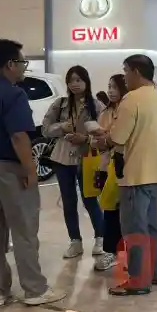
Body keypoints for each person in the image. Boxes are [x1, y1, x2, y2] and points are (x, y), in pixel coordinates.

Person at [0, 39, 65, 306]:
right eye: (22, 62)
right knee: (24, 229)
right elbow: (19, 136)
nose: (24, 68)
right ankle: (35, 290)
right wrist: (31, 170)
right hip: (7, 169)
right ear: (10, 64)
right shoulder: (13, 94)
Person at [92, 54, 157, 296]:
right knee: (151, 227)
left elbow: (118, 138)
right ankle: (155, 272)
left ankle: (138, 280)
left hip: (135, 174)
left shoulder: (131, 99)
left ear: (136, 71)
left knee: (135, 229)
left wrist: (100, 140)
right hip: (155, 172)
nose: (124, 76)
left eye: (125, 71)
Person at [41, 65, 105, 259]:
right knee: (68, 202)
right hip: (62, 158)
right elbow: (45, 129)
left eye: (79, 80)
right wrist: (62, 127)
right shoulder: (60, 104)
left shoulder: (97, 106)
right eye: (71, 80)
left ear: (86, 82)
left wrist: (85, 138)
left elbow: (105, 134)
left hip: (87, 158)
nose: (75, 84)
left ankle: (101, 238)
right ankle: (75, 241)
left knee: (90, 200)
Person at [94, 74, 128, 272]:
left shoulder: (129, 110)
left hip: (126, 168)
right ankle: (111, 251)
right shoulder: (105, 113)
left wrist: (109, 138)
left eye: (114, 87)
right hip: (106, 166)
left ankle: (131, 252)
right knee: (109, 212)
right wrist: (99, 140)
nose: (111, 91)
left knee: (128, 213)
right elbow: (97, 142)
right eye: (109, 87)